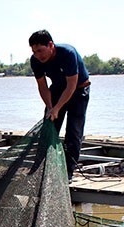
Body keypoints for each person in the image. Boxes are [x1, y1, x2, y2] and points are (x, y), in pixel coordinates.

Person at [29, 30, 91, 179]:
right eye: (34, 52)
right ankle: (42, 169)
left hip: (79, 89)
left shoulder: (67, 53)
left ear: (51, 45)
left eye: (40, 51)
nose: (38, 55)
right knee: (49, 128)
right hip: (57, 89)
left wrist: (57, 108)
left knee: (73, 132)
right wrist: (51, 108)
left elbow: (72, 85)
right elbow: (42, 86)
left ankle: (68, 173)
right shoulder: (35, 60)